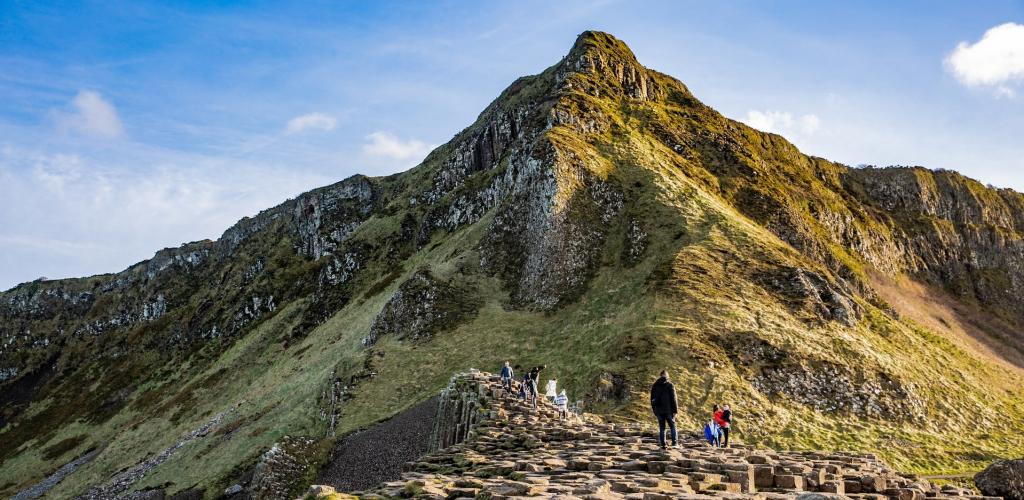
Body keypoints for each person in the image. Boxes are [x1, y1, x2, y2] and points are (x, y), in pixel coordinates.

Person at [649, 370, 678, 449]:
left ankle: (663, 445)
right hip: (668, 410)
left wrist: (655, 410)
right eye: (667, 375)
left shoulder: (655, 385)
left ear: (660, 375)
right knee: (672, 426)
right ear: (666, 375)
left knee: (662, 428)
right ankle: (674, 443)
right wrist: (675, 411)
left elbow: (651, 399)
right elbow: (673, 399)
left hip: (659, 411)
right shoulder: (670, 385)